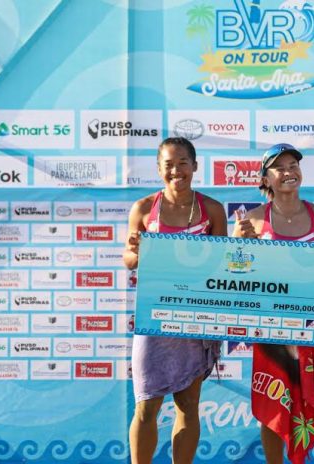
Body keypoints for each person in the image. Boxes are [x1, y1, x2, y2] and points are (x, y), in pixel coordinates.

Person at [233, 143, 314, 464]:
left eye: (293, 166)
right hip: (271, 331)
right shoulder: (253, 222)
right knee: (273, 408)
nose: (288, 172)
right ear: (265, 179)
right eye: (279, 168)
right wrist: (238, 246)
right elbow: (235, 280)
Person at [123, 137, 227, 464]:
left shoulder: (212, 209)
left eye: (183, 162)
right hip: (154, 319)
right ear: (158, 169)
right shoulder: (142, 209)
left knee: (188, 406)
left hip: (196, 319)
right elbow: (128, 258)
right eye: (168, 164)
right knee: (146, 405)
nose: (176, 170)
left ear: (195, 166)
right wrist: (135, 252)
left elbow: (223, 262)